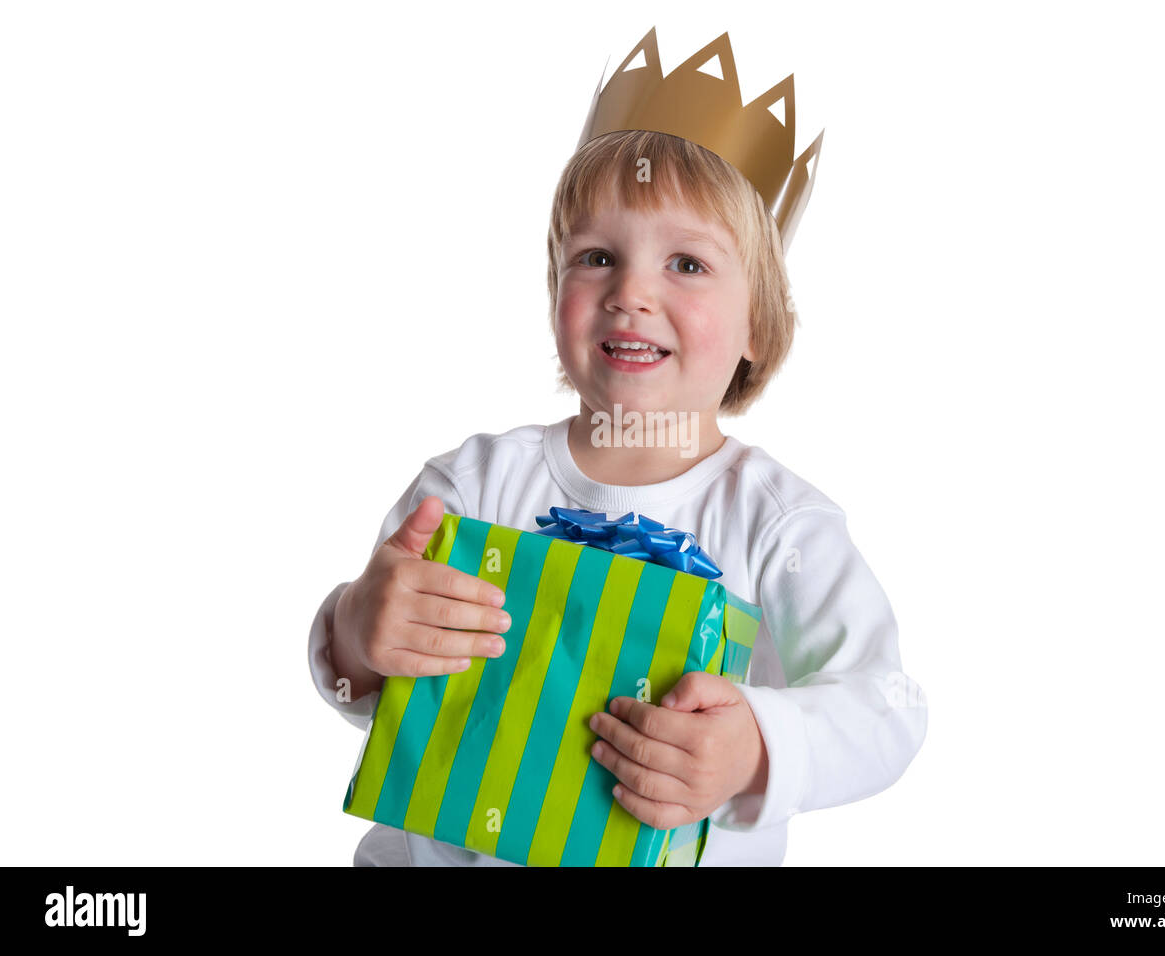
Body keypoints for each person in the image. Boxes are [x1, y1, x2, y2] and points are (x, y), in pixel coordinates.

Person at [308, 32, 928, 867]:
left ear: (758, 324)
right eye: (597, 256)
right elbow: (368, 689)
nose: (631, 292)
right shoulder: (474, 486)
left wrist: (755, 745)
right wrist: (357, 631)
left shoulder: (776, 524)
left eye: (687, 263)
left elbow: (886, 707)